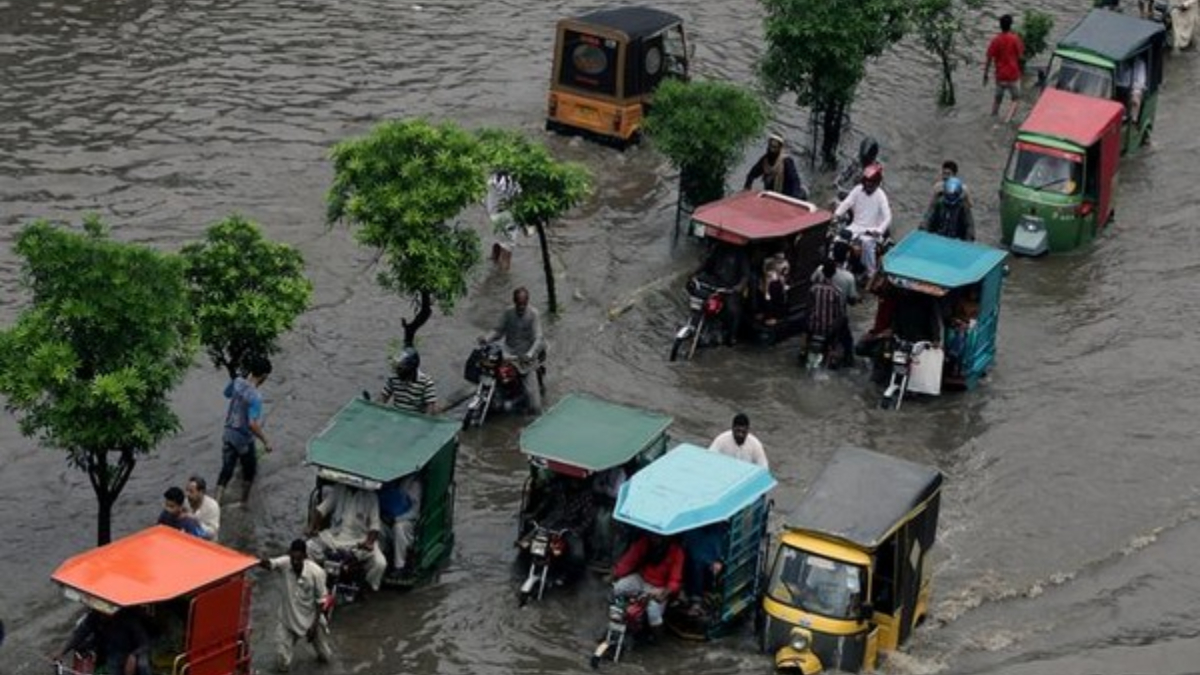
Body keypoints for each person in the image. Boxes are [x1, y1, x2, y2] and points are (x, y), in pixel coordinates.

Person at [259, 539, 332, 673]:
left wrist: (314, 626)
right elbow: (270, 564)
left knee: (325, 657)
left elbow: (321, 601)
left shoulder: (317, 573)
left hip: (311, 620)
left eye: (299, 559)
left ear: (305, 556)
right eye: (293, 558)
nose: (295, 562)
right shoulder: (286, 563)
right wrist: (257, 560)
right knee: (282, 661)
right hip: (289, 620)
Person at [306, 483, 387, 592]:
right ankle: (316, 578)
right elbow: (322, 509)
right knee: (308, 547)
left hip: (359, 540)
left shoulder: (371, 497)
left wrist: (369, 542)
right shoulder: (340, 489)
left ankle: (366, 588)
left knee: (380, 564)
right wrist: (312, 527)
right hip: (335, 536)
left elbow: (374, 526)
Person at [480, 286, 546, 414]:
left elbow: (538, 337)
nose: (521, 307)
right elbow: (498, 330)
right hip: (508, 353)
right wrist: (486, 338)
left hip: (525, 358)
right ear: (514, 301)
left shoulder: (533, 314)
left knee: (535, 406)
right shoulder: (508, 313)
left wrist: (530, 353)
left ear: (527, 302)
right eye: (518, 304)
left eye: (523, 304)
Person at [217, 355, 273, 504]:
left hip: (228, 433)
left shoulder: (237, 382)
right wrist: (266, 441)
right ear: (264, 376)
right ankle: (243, 503)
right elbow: (252, 424)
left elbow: (226, 394)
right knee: (250, 472)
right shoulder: (256, 396)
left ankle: (217, 502)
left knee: (226, 470)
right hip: (243, 439)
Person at [611, 531, 685, 640]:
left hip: (660, 587)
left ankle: (658, 637)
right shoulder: (644, 543)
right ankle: (617, 618)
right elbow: (629, 561)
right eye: (653, 536)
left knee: (653, 612)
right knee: (619, 587)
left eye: (658, 537)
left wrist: (664, 592)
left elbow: (675, 580)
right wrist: (616, 573)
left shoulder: (677, 552)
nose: (655, 539)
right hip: (641, 578)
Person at [833, 162, 892, 279]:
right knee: (838, 239)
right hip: (855, 227)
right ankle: (837, 264)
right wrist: (836, 215)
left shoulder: (881, 196)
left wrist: (879, 230)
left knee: (866, 244)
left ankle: (871, 272)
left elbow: (888, 217)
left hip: (871, 231)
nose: (868, 186)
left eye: (871, 183)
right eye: (867, 183)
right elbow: (847, 203)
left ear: (876, 183)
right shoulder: (857, 190)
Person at [57, 608, 151, 675]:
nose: (102, 615)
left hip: (125, 651)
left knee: (142, 665)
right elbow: (80, 633)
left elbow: (145, 643)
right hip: (104, 647)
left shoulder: (129, 619)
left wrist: (133, 656)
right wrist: (63, 651)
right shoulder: (95, 616)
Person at [695, 243, 751, 344]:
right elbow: (706, 264)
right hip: (715, 283)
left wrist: (739, 287)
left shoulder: (740, 255)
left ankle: (731, 336)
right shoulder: (718, 248)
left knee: (732, 310)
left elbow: (745, 275)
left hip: (730, 288)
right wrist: (695, 273)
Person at [378, 474, 422, 581]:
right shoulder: (387, 478)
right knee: (377, 525)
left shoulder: (414, 484)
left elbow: (414, 513)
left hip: (405, 522)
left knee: (399, 528)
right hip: (387, 518)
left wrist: (396, 519)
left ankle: (399, 567)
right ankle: (380, 560)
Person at [983, 14, 1025, 124]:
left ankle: (992, 118)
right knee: (1015, 99)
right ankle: (1007, 120)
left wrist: (985, 74)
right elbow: (1021, 57)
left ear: (1000, 25)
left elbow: (989, 58)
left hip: (1000, 76)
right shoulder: (1015, 39)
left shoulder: (995, 40)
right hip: (1013, 75)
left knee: (997, 100)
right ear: (1010, 25)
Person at [807, 261, 850, 364]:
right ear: (834, 273)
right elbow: (839, 313)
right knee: (843, 322)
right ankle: (836, 353)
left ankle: (804, 348)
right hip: (829, 329)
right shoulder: (836, 291)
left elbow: (809, 308)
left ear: (822, 272)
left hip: (814, 327)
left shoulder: (813, 289)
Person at [744, 133, 807, 200]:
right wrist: (747, 188)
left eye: (774, 147)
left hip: (787, 196)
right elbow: (752, 174)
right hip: (771, 195)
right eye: (770, 146)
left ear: (780, 148)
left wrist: (794, 198)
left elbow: (795, 181)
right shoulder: (765, 161)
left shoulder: (786, 162)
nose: (772, 149)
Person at [681, 523, 726, 614]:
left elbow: (720, 543)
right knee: (696, 564)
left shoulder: (718, 528)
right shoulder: (693, 530)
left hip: (711, 559)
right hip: (698, 558)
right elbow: (689, 546)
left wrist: (719, 560)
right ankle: (696, 599)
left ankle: (701, 599)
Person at [378, 348, 438, 415]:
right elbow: (382, 399)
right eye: (397, 367)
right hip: (396, 417)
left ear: (411, 369)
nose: (398, 371)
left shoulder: (426, 383)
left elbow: (430, 411)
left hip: (415, 421)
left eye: (401, 368)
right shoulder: (394, 378)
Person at [922, 177, 976, 241]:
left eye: (953, 195)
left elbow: (969, 226)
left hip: (955, 241)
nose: (951, 197)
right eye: (949, 195)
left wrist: (968, 241)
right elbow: (928, 218)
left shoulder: (963, 207)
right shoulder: (938, 203)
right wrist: (923, 232)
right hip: (936, 238)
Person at [183, 476, 221, 541]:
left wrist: (197, 522)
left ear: (201, 492)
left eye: (191, 492)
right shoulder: (185, 502)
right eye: (187, 490)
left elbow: (212, 533)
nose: (187, 494)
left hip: (206, 544)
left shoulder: (212, 506)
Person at [1116, 54, 1148, 123]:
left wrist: (1131, 88)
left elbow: (1140, 82)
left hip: (1134, 88)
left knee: (1135, 98)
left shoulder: (1140, 63)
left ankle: (1133, 120)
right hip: (1120, 87)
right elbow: (1117, 77)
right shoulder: (1120, 62)